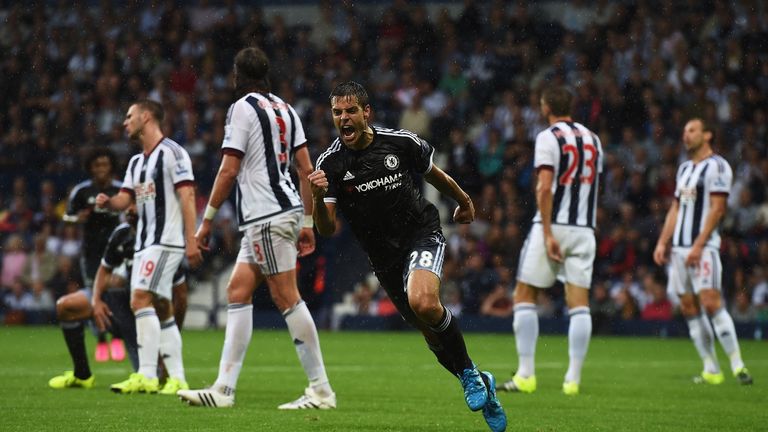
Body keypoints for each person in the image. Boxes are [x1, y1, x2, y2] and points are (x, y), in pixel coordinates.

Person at [307, 81, 505, 432]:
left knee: (424, 302)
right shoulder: (331, 164)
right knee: (430, 333)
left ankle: (471, 377)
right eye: (337, 112)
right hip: (384, 260)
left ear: (366, 112)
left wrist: (465, 201)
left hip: (421, 233)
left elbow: (435, 175)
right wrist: (318, 198)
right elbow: (325, 229)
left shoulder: (401, 143)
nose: (343, 118)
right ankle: (479, 380)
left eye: (351, 110)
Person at [177, 47, 335, 410]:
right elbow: (306, 170)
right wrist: (307, 221)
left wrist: (206, 223)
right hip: (283, 211)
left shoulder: (241, 109)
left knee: (286, 297)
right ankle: (223, 389)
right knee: (237, 290)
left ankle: (321, 390)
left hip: (265, 214)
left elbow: (229, 169)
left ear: (237, 76)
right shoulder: (287, 109)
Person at [497, 86, 603, 397]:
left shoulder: (547, 137)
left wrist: (546, 232)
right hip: (584, 228)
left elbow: (545, 187)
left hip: (553, 225)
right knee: (579, 303)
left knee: (524, 294)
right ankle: (572, 379)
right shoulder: (594, 140)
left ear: (546, 107)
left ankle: (527, 374)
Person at [95, 99, 202, 394]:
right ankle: (177, 377)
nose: (125, 122)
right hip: (144, 242)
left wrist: (191, 240)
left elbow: (187, 197)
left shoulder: (172, 153)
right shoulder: (135, 162)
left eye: (129, 116)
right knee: (162, 308)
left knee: (139, 299)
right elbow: (124, 199)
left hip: (165, 241)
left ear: (146, 117)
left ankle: (146, 374)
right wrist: (108, 203)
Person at [653, 118, 753, 385]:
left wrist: (698, 245)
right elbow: (676, 209)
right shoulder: (684, 169)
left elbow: (718, 209)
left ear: (707, 135)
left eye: (692, 130)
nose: (686, 135)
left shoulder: (718, 167)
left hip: (704, 248)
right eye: (684, 130)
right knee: (688, 307)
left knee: (710, 302)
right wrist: (663, 242)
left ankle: (738, 365)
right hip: (679, 250)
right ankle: (711, 368)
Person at [48, 206, 188, 393]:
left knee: (152, 375)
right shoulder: (121, 233)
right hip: (111, 303)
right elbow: (104, 269)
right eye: (128, 204)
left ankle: (156, 368)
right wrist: (96, 301)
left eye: (136, 203)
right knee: (66, 306)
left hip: (142, 315)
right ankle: (82, 375)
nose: (130, 209)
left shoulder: (162, 240)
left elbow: (181, 296)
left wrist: (168, 340)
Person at [61, 148, 125, 363]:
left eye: (105, 164)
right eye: (97, 165)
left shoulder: (120, 190)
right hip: (91, 253)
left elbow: (130, 213)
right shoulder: (81, 191)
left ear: (111, 166)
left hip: (117, 252)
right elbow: (66, 217)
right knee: (94, 296)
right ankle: (101, 339)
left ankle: (116, 336)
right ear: (90, 167)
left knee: (113, 295)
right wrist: (77, 219)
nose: (101, 169)